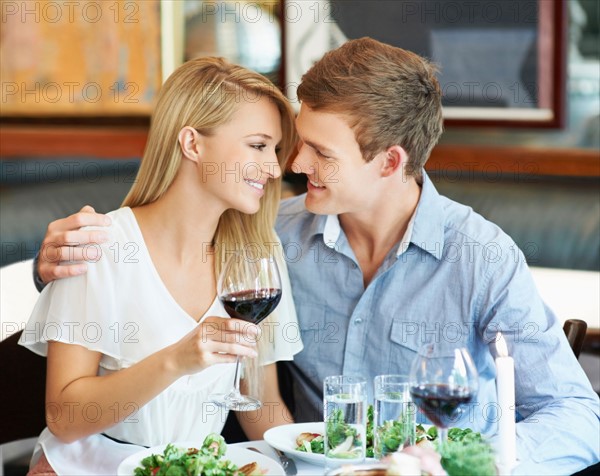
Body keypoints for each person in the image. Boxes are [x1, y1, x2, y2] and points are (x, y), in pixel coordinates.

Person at [33, 38, 599, 474]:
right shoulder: (270, 236)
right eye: (286, 143)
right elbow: (152, 265)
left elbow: (579, 417)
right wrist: (52, 269)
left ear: (388, 161)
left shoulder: (482, 259)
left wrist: (456, 465)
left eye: (316, 151)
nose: (293, 164)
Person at [19, 56, 302, 475]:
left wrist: (307, 465)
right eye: (258, 146)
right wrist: (176, 359)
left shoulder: (256, 254)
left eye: (275, 150)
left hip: (195, 467)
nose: (275, 168)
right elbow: (64, 418)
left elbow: (261, 404)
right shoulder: (100, 246)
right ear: (192, 143)